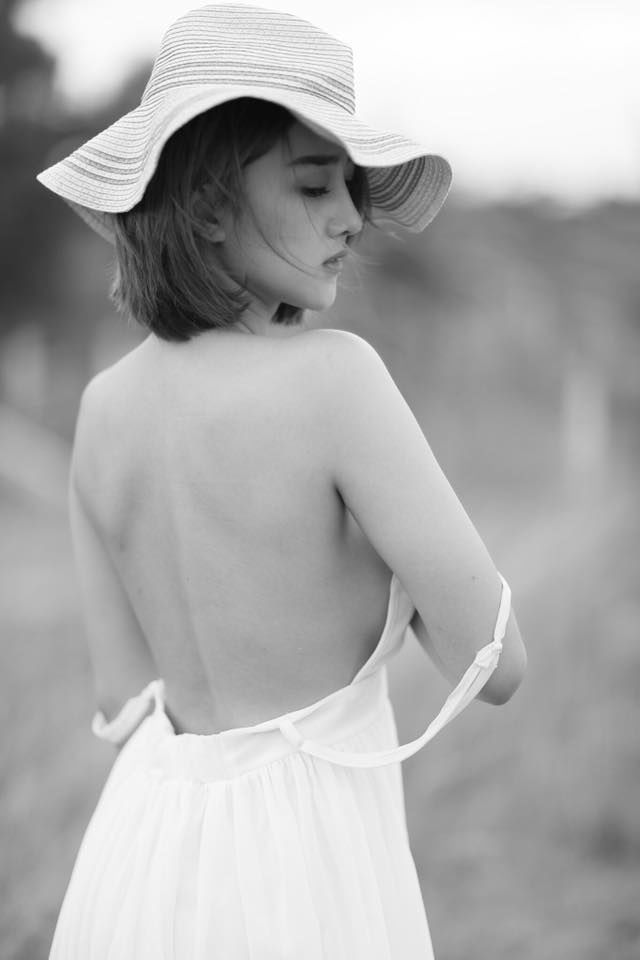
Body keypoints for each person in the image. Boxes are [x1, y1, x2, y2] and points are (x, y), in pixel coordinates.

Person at [37, 4, 527, 958]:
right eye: (313, 183)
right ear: (208, 205)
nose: (351, 214)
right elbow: (498, 664)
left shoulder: (100, 410)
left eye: (350, 183)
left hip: (143, 860)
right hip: (304, 867)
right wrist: (388, 581)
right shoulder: (337, 381)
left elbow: (123, 696)